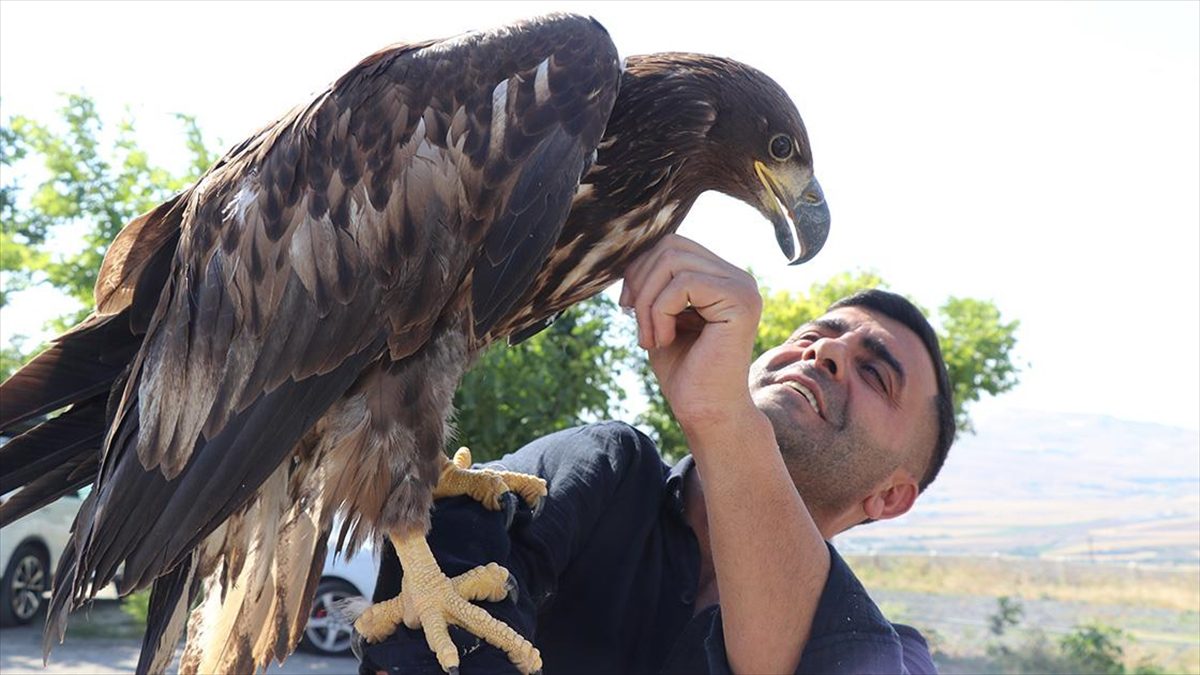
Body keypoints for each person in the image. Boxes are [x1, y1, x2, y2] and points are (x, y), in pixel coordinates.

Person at [356, 234, 955, 674]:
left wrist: (723, 422)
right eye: (812, 336)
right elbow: (422, 628)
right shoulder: (605, 469)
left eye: (876, 373)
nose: (823, 355)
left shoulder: (887, 653)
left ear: (891, 495)